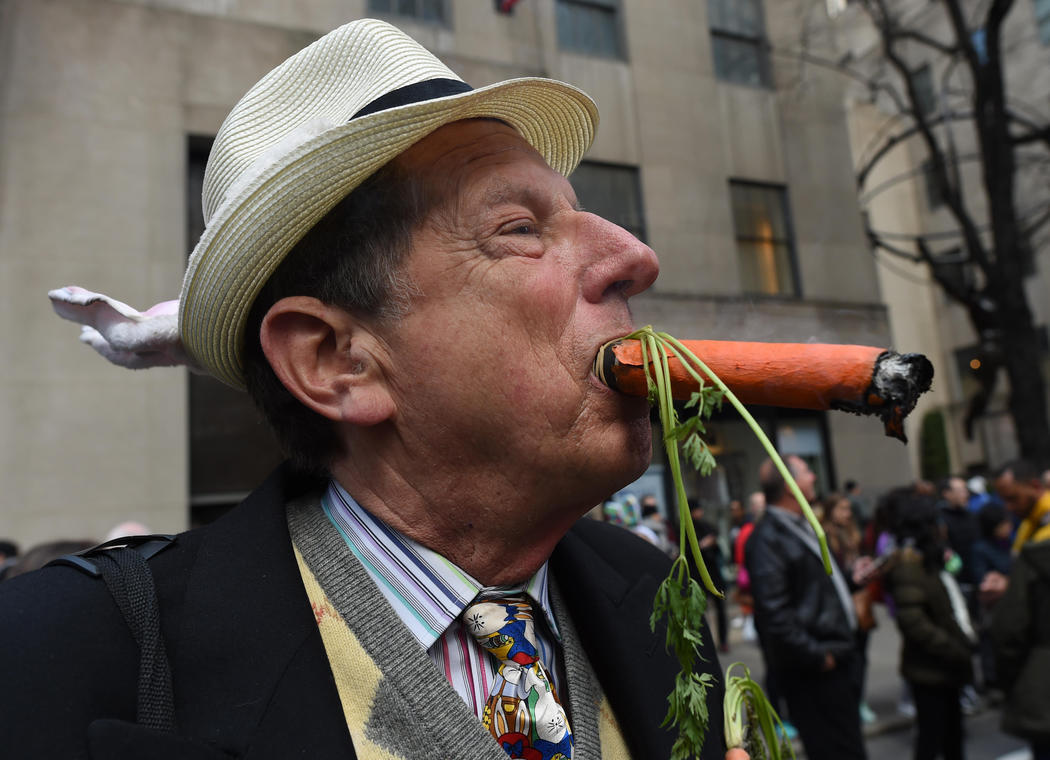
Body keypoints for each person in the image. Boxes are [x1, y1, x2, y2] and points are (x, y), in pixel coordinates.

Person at [0, 19, 730, 760]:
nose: (636, 257)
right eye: (519, 228)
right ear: (334, 359)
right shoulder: (48, 659)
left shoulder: (652, 596)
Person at [746, 456, 867, 760]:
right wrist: (818, 656)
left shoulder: (802, 524)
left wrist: (851, 579)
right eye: (807, 472)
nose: (814, 476)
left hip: (836, 656)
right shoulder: (767, 538)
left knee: (849, 745)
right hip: (815, 670)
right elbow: (775, 616)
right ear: (790, 485)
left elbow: (811, 588)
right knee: (835, 750)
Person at [886, 492, 976, 760]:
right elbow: (913, 622)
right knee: (932, 738)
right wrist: (955, 648)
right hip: (929, 669)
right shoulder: (908, 564)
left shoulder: (929, 559)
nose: (942, 527)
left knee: (953, 737)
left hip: (946, 665)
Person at [989, 459, 1050, 760]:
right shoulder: (1029, 525)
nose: (1009, 507)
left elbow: (1012, 628)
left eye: (1013, 497)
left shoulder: (1042, 532)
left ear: (1035, 487)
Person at [689, 499, 728, 652]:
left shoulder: (707, 526)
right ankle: (704, 642)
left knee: (720, 609)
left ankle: (723, 641)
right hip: (697, 576)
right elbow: (687, 551)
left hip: (713, 574)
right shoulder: (686, 528)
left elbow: (717, 549)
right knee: (701, 612)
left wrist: (712, 544)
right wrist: (701, 545)